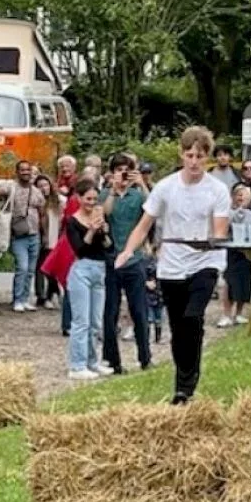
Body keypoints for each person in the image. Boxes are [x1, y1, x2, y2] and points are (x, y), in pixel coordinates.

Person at [116, 127, 231, 404]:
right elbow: (144, 225)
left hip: (205, 261)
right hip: (172, 265)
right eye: (189, 155)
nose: (194, 162)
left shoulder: (217, 189)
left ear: (207, 158)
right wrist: (128, 251)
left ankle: (188, 383)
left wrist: (211, 242)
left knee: (193, 317)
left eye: (200, 156)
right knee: (179, 328)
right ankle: (182, 385)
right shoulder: (167, 187)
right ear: (182, 154)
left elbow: (220, 230)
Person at [101, 154, 150, 373]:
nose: (122, 173)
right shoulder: (104, 195)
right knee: (110, 311)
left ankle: (145, 357)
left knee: (139, 311)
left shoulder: (138, 195)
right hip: (111, 259)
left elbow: (152, 212)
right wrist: (113, 189)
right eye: (118, 169)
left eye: (126, 169)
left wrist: (142, 185)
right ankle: (113, 360)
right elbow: (105, 214)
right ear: (111, 172)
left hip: (134, 259)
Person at [64, 177, 113, 380]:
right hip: (81, 270)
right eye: (88, 199)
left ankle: (93, 362)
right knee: (81, 321)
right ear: (79, 198)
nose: (91, 203)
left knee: (95, 322)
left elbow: (109, 247)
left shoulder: (99, 217)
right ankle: (77, 365)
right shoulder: (72, 222)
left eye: (94, 199)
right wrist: (91, 231)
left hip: (99, 269)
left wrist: (104, 232)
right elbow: (80, 249)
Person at [5, 159, 46, 313]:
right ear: (17, 172)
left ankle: (25, 298)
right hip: (18, 235)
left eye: (28, 170)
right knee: (21, 267)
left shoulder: (36, 192)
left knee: (30, 269)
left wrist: (44, 234)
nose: (26, 172)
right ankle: (17, 299)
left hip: (34, 234)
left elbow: (42, 214)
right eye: (22, 170)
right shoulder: (12, 188)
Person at [221, 184, 251, 328]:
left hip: (246, 252)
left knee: (244, 283)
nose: (241, 198)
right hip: (231, 252)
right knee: (229, 283)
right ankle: (226, 314)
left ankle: (239, 313)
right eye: (238, 195)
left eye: (244, 195)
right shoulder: (227, 213)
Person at [34, 174, 62, 310]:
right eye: (39, 186)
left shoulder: (58, 201)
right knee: (40, 268)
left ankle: (52, 294)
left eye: (45, 185)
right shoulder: (36, 203)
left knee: (52, 269)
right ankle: (41, 296)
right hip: (40, 239)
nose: (43, 188)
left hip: (55, 238)